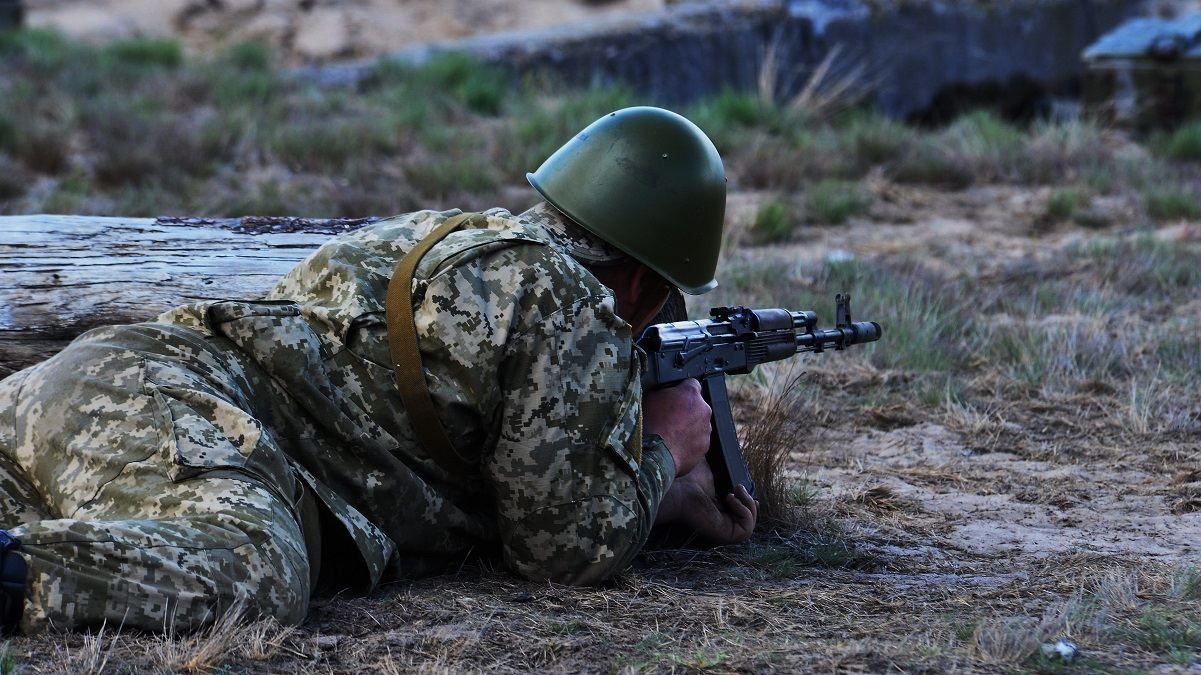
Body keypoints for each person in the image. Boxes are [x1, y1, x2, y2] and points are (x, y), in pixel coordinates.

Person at [0, 106, 758, 635]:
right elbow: (560, 550)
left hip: (97, 393)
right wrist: (665, 453)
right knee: (255, 566)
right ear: (646, 288)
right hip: (171, 411)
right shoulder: (572, 301)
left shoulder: (457, 237)